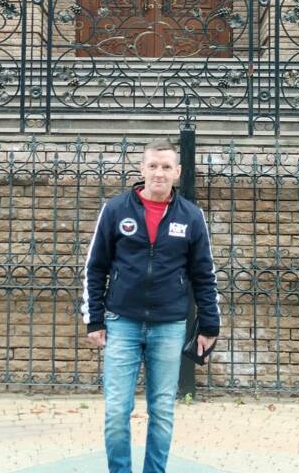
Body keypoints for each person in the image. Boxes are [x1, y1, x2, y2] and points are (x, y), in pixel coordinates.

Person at [81, 138, 220, 473]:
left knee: (162, 411)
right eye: (153, 166)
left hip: (169, 325)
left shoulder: (192, 216)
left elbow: (204, 274)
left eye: (166, 167)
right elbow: (96, 267)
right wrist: (94, 318)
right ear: (142, 168)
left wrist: (209, 325)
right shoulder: (115, 210)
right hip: (122, 323)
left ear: (177, 172)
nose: (159, 173)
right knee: (117, 411)